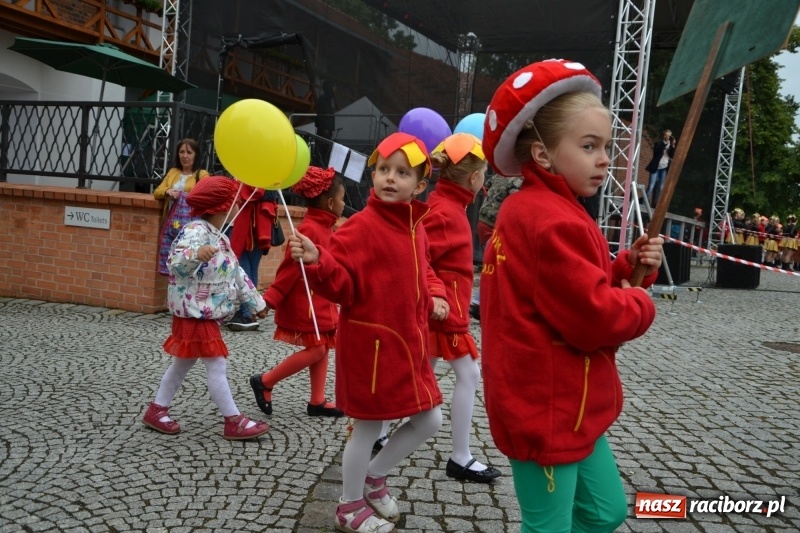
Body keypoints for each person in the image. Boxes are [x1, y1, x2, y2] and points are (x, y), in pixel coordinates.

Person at [479, 59, 664, 532]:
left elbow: (568, 285)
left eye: (605, 146)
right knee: (548, 527)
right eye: (588, 146)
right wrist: (641, 304)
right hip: (547, 408)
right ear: (542, 155)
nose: (605, 158)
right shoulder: (549, 219)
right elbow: (592, 316)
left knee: (605, 513)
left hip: (570, 407)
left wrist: (627, 265)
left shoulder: (547, 209)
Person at [288, 132, 448, 532]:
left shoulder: (417, 227)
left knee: (430, 420)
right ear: (372, 175)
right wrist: (317, 259)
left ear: (420, 185)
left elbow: (423, 270)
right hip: (372, 348)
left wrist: (435, 294)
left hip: (409, 344)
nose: (390, 178)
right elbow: (341, 281)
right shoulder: (361, 227)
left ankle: (375, 478)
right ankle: (349, 505)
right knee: (368, 427)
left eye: (402, 172)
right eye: (383, 170)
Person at [141, 176, 270, 441]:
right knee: (217, 364)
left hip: (204, 312)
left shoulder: (220, 237)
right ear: (221, 206)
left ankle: (156, 410)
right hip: (195, 313)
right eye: (235, 202)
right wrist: (195, 255)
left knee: (181, 366)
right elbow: (175, 262)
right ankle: (232, 419)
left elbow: (237, 273)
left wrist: (257, 303)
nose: (239, 207)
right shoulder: (195, 231)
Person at [420, 133, 502, 483]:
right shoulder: (446, 212)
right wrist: (439, 295)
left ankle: (377, 432)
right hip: (444, 315)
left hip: (444, 310)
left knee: (419, 374)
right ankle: (460, 456)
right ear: (474, 178)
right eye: (483, 173)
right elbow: (418, 256)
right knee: (467, 376)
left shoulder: (447, 206)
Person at [250, 166, 345, 418]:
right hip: (306, 303)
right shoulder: (312, 230)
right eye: (343, 198)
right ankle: (266, 381)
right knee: (316, 349)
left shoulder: (324, 226)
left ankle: (317, 400)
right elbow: (289, 270)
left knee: (322, 347)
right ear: (331, 202)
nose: (345, 204)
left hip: (318, 301)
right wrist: (269, 300)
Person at [470, 174, 523, 320]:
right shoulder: (517, 180)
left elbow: (485, 185)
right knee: (496, 265)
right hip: (494, 224)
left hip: (482, 221)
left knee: (494, 263)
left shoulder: (498, 175)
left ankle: (480, 303)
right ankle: (478, 303)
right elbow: (517, 199)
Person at [227, 186, 280, 331]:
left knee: (243, 269)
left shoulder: (253, 178)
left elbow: (250, 193)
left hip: (248, 228)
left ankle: (247, 313)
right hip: (258, 227)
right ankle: (250, 311)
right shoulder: (266, 178)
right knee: (250, 269)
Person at [154, 138, 209, 275]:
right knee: (171, 259)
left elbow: (207, 194)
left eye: (189, 152)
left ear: (195, 155)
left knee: (188, 259)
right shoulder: (173, 172)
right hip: (171, 224)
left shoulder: (202, 174)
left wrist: (187, 195)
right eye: (182, 152)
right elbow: (157, 192)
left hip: (191, 227)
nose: (185, 156)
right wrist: (167, 191)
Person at [644, 128, 676, 207]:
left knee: (661, 188)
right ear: (664, 135)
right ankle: (644, 203)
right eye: (666, 135)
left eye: (669, 136)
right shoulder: (659, 143)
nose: (667, 137)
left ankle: (657, 205)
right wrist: (666, 144)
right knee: (651, 186)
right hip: (656, 167)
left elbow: (672, 155)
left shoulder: (670, 145)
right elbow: (657, 152)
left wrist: (673, 145)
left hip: (664, 168)